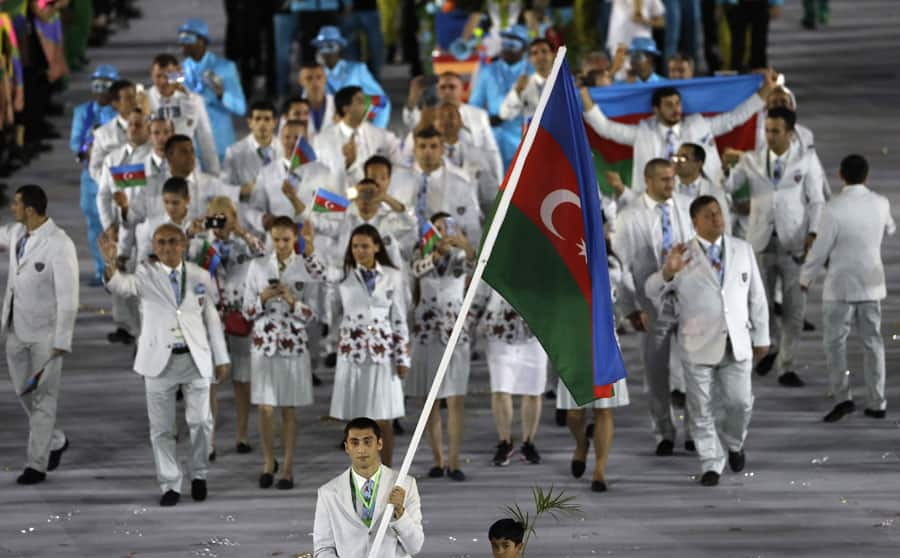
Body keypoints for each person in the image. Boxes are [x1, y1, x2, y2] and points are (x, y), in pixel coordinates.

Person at [99, 223, 230, 506]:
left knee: (201, 422)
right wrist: (109, 260)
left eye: (172, 242)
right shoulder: (146, 275)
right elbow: (120, 286)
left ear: (183, 244)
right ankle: (170, 483)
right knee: (161, 428)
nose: (167, 248)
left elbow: (211, 318)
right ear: (155, 247)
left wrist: (221, 357)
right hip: (158, 361)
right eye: (161, 243)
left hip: (196, 358)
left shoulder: (200, 275)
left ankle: (199, 474)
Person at [645, 196, 768, 486]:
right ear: (695, 221)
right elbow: (652, 290)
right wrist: (668, 271)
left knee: (740, 403)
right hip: (696, 344)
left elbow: (757, 297)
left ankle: (735, 443)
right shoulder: (681, 254)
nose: (717, 218)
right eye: (709, 215)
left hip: (737, 342)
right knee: (700, 408)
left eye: (718, 213)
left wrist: (762, 337)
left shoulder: (742, 249)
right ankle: (711, 462)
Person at [723, 107, 825, 387]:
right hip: (760, 241)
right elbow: (729, 188)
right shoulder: (751, 159)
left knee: (794, 308)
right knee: (760, 303)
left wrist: (814, 233)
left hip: (794, 243)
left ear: (791, 133)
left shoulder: (806, 160)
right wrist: (725, 169)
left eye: (775, 131)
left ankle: (787, 365)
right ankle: (773, 346)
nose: (769, 136)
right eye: (767, 130)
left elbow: (816, 200)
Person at [800, 155, 895, 422]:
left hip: (839, 286)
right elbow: (891, 228)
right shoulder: (881, 203)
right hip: (870, 286)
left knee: (835, 344)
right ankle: (877, 401)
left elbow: (820, 249)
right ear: (867, 176)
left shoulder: (833, 208)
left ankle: (843, 398)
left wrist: (806, 277)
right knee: (873, 343)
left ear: (841, 174)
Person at [581, 70, 776, 197]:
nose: (676, 109)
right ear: (656, 110)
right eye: (668, 105)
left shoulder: (698, 125)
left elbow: (734, 118)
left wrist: (766, 90)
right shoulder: (643, 133)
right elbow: (606, 129)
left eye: (678, 103)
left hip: (702, 197)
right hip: (659, 202)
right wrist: (584, 98)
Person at [611, 159, 693, 455]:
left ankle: (694, 430)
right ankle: (664, 431)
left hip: (689, 302)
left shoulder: (687, 207)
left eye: (672, 179)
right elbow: (619, 268)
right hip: (652, 306)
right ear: (647, 181)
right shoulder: (629, 217)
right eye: (663, 180)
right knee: (656, 374)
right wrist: (630, 307)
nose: (670, 185)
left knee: (694, 369)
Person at [1, 185, 79, 485]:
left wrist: (62, 339)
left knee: (44, 399)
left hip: (46, 337)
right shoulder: (18, 234)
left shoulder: (60, 244)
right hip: (16, 330)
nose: (12, 208)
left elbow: (69, 296)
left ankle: (37, 464)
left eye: (16, 204)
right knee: (24, 392)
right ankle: (56, 439)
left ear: (30, 210)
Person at [243, 216, 325, 489]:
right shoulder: (256, 266)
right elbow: (246, 312)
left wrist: (293, 303)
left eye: (286, 240)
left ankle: (287, 466)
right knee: (265, 408)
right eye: (276, 240)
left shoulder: (306, 268)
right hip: (264, 345)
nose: (280, 245)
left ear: (295, 240)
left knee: (289, 409)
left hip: (294, 345)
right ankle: (268, 461)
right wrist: (262, 298)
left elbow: (314, 315)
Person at [327, 225, 411, 467]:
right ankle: (362, 475)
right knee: (357, 423)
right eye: (355, 246)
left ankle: (386, 473)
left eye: (364, 246)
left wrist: (403, 358)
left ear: (376, 246)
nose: (359, 251)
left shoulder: (392, 275)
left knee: (383, 418)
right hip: (352, 356)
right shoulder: (342, 275)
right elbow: (323, 283)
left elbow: (399, 318)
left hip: (383, 355)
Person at [190, 197, 262, 456]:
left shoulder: (246, 241)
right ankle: (208, 440)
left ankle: (241, 435)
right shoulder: (202, 243)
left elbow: (264, 257)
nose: (220, 222)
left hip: (240, 316)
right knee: (210, 380)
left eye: (225, 217)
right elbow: (190, 266)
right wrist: (193, 233)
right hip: (211, 318)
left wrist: (240, 231)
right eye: (215, 216)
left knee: (242, 380)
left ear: (234, 216)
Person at [408, 212, 476, 481]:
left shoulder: (462, 255)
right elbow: (414, 271)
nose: (441, 232)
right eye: (435, 228)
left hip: (454, 332)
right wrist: (433, 255)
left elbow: (476, 263)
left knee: (455, 399)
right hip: (426, 331)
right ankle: (437, 459)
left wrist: (463, 244)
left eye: (446, 228)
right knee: (429, 401)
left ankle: (454, 461)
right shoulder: (421, 255)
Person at [313, 417, 424, 557]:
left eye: (367, 441)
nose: (361, 449)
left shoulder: (406, 485)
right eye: (355, 443)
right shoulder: (327, 493)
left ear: (379, 444)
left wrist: (400, 513)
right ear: (347, 447)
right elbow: (323, 548)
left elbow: (415, 546)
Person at [477, 286, 547, 467]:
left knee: (533, 391)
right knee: (501, 390)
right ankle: (504, 442)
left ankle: (528, 443)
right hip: (500, 330)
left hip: (535, 331)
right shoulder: (493, 257)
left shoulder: (546, 259)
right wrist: (463, 328)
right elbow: (479, 293)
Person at [70, 64, 119, 286]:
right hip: (91, 178)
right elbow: (75, 143)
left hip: (118, 177)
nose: (99, 90)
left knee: (119, 223)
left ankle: (119, 266)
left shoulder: (122, 113)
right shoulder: (83, 112)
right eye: (96, 85)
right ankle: (102, 270)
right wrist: (90, 142)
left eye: (105, 85)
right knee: (94, 225)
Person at [403, 71, 503, 181]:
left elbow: (492, 152)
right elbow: (410, 124)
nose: (447, 91)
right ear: (437, 91)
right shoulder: (427, 114)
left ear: (462, 89)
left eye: (452, 87)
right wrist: (412, 99)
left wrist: (499, 183)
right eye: (443, 87)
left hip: (472, 177)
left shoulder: (478, 115)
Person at [248, 119, 335, 237]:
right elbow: (253, 209)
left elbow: (331, 221)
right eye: (287, 137)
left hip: (312, 243)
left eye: (297, 138)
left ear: (307, 140)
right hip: (278, 243)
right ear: (280, 140)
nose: (291, 142)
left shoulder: (324, 173)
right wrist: (262, 219)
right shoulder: (266, 172)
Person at [178, 18, 247, 163]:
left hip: (219, 145)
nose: (183, 43)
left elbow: (241, 108)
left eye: (188, 38)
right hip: (192, 148)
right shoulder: (180, 70)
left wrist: (222, 95)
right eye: (181, 38)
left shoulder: (225, 68)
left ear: (202, 41)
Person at [312, 85, 400, 191]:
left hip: (376, 200)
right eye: (360, 101)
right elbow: (320, 178)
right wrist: (349, 164)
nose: (366, 105)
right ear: (346, 108)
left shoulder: (383, 136)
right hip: (341, 200)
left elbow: (397, 168)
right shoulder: (322, 141)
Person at [468, 24, 532, 171]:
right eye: (505, 39)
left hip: (524, 140)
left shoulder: (532, 72)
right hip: (493, 141)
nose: (507, 45)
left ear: (524, 47)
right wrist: (485, 120)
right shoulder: (488, 71)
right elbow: (474, 107)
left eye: (513, 40)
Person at [144, 53, 220, 175]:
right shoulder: (142, 101)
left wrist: (214, 174)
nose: (164, 81)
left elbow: (206, 140)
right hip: (154, 171)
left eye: (169, 76)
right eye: (159, 76)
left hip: (188, 170)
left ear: (178, 75)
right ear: (152, 76)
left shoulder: (194, 101)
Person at [312, 25, 391, 128]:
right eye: (322, 46)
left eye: (331, 45)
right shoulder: (315, 74)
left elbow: (382, 102)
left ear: (340, 47)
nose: (327, 51)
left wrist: (377, 131)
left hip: (354, 125)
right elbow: (306, 103)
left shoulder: (356, 70)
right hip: (327, 128)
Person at [221, 99, 283, 229]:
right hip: (247, 223)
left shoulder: (285, 149)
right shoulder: (234, 152)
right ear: (249, 122)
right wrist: (242, 190)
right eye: (257, 119)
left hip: (281, 222)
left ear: (274, 123)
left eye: (267, 119)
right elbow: (224, 191)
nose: (262, 124)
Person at [672, 143, 731, 233]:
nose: (677, 162)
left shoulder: (714, 191)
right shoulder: (667, 188)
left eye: (683, 158)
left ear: (699, 163)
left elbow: (724, 225)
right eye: (676, 158)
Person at [88, 79, 137, 182]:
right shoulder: (103, 133)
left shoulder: (152, 128)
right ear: (115, 103)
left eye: (134, 97)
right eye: (128, 98)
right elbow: (95, 168)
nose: (134, 102)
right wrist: (115, 183)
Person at [500, 38, 555, 122]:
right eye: (535, 53)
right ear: (530, 59)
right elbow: (505, 114)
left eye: (544, 51)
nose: (540, 56)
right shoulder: (523, 85)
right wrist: (517, 91)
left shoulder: (566, 83)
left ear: (553, 55)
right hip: (537, 134)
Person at [721, 0, 782, 72]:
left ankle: (758, 71)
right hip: (736, 5)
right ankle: (737, 71)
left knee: (759, 44)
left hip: (759, 5)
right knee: (737, 46)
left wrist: (776, 2)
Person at [298, 62, 336, 140]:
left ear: (325, 79)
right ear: (301, 81)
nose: (315, 82)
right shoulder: (292, 108)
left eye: (319, 77)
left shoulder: (339, 105)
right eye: (309, 78)